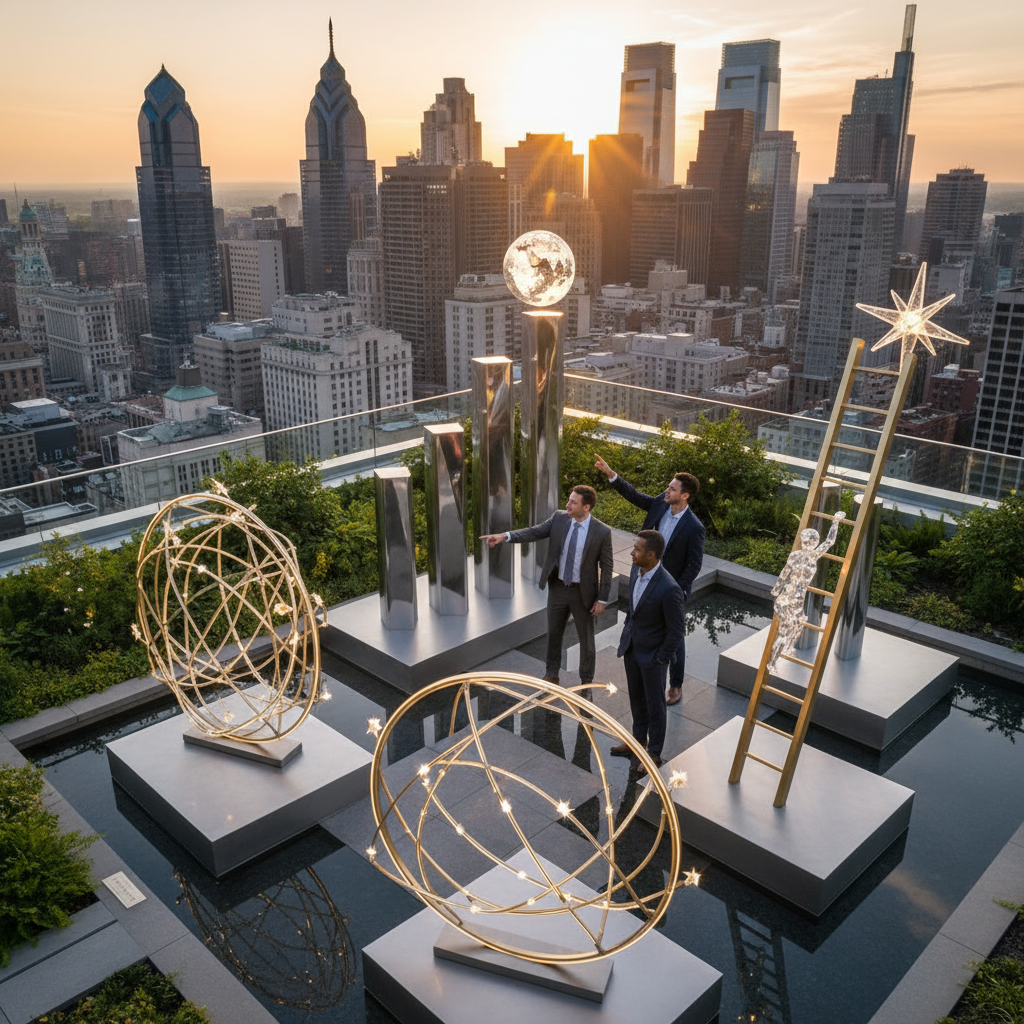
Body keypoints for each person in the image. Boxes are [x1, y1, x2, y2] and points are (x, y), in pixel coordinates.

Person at [594, 455, 704, 706]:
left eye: (672, 489)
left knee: (674, 635)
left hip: (669, 588)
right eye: (668, 486)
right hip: (645, 577)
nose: (667, 491)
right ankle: (634, 655)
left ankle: (675, 684)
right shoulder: (660, 504)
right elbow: (635, 496)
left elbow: (694, 564)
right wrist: (611, 474)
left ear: (685, 495)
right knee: (636, 617)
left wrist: (677, 591)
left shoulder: (694, 527)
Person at [482, 485, 613, 694]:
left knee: (586, 640)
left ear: (586, 507)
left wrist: (602, 599)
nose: (568, 505)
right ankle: (551, 675)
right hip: (558, 588)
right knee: (553, 634)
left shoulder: (602, 532)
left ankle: (586, 682)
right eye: (569, 500)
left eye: (573, 502)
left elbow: (607, 567)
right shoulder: (559, 518)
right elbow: (533, 532)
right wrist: (505, 536)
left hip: (583, 593)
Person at [611, 530, 686, 770]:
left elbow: (677, 631)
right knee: (636, 699)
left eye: (637, 549)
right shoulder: (636, 570)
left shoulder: (669, 588)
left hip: (653, 658)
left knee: (656, 706)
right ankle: (637, 741)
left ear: (651, 555)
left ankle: (653, 753)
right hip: (632, 649)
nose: (631, 553)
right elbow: (634, 609)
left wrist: (661, 658)